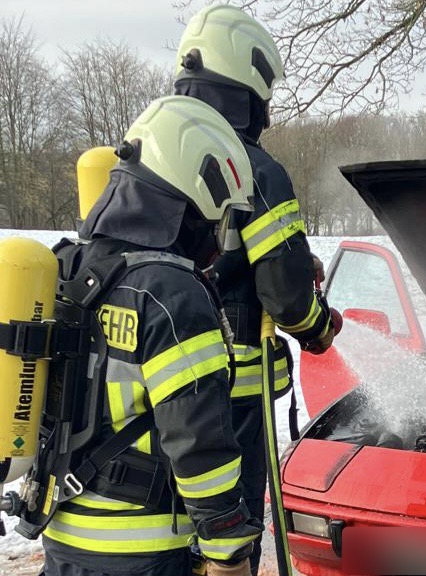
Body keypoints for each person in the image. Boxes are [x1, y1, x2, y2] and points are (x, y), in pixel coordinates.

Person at [40, 95, 261, 576]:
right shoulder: (170, 294)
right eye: (219, 218)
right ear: (194, 191)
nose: (218, 237)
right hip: (146, 553)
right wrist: (229, 555)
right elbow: (199, 442)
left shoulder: (64, 269)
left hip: (63, 544)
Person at [173, 6, 340, 574]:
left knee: (178, 519)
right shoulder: (253, 167)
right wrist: (321, 329)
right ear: (247, 81)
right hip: (232, 390)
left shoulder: (151, 152)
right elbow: (289, 298)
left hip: (154, 383)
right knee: (230, 530)